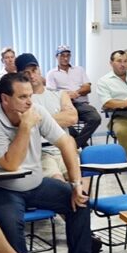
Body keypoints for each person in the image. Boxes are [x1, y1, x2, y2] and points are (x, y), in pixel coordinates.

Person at [0, 73, 107, 253]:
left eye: (30, 96)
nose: (30, 102)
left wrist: (75, 184)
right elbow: (11, 164)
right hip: (1, 187)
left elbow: (65, 142)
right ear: (5, 99)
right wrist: (26, 127)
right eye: (22, 97)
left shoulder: (36, 111)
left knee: (80, 201)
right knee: (11, 221)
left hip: (35, 184)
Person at [16, 53, 78, 181]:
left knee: (82, 186)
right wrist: (59, 118)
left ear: (39, 70)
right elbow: (24, 122)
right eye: (26, 73)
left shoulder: (59, 94)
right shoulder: (19, 100)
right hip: (40, 152)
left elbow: (72, 118)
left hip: (64, 148)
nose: (32, 76)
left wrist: (40, 120)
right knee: (59, 186)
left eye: (34, 70)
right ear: (19, 75)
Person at [45, 45, 101, 148]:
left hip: (81, 104)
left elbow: (87, 88)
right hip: (63, 106)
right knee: (63, 123)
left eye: (68, 55)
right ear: (56, 57)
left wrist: (76, 92)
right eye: (62, 56)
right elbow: (52, 94)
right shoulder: (51, 74)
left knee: (96, 118)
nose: (65, 58)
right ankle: (83, 145)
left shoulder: (79, 70)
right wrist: (67, 95)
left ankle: (75, 145)